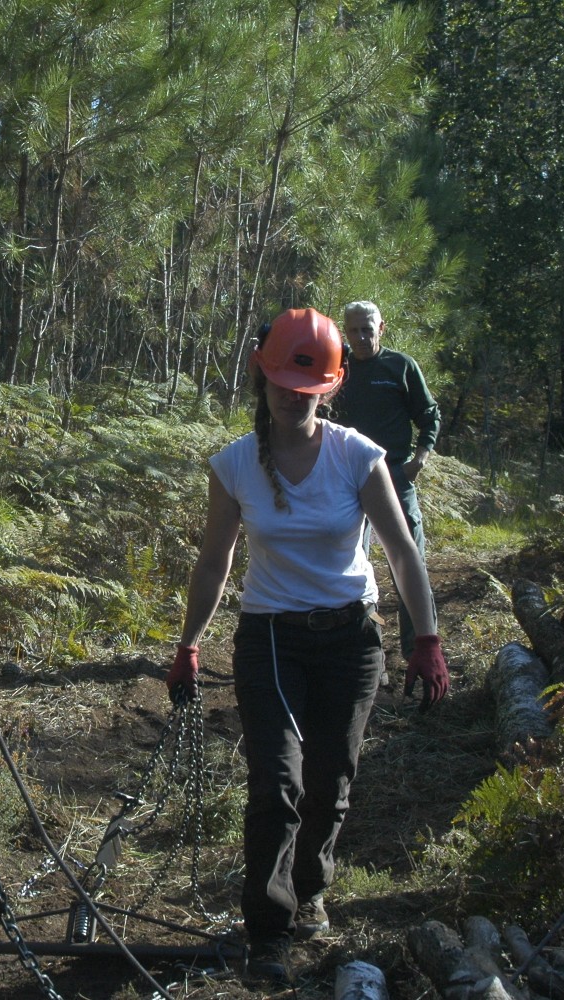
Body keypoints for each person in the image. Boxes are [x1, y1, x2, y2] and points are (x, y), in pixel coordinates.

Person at [163, 308, 449, 985]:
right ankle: (268, 933)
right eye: (285, 385)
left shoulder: (357, 456)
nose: (296, 398)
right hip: (268, 638)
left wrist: (427, 638)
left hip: (351, 640)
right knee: (276, 782)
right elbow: (213, 564)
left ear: (329, 387)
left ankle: (311, 884)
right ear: (262, 380)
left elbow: (403, 554)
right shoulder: (235, 465)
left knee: (331, 781)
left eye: (310, 387)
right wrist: (189, 644)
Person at [337, 300, 442, 668]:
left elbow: (429, 415)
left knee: (409, 562)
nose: (362, 336)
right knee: (351, 567)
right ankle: (365, 653)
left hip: (396, 476)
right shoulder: (338, 367)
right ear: (345, 331)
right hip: (346, 481)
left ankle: (422, 653)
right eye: (354, 330)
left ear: (381, 328)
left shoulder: (401, 367)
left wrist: (420, 459)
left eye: (368, 329)